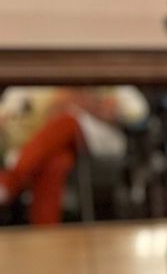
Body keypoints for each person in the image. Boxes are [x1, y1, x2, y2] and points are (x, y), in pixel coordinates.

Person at [0, 86, 148, 225]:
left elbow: (139, 111)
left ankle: (9, 183)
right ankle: (45, 233)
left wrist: (98, 106)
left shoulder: (105, 76)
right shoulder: (36, 78)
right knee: (56, 161)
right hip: (44, 146)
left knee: (67, 121)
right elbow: (5, 111)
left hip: (98, 138)